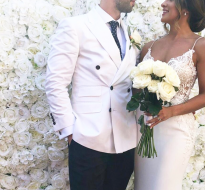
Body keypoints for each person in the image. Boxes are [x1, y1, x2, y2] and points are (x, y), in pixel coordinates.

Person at [45, 0, 139, 189]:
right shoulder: (76, 26)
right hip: (88, 137)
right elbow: (55, 82)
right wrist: (70, 132)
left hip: (125, 138)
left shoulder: (127, 32)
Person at [134, 0, 205, 189]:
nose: (163, 3)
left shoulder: (203, 46)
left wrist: (171, 111)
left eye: (170, 0)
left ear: (186, 8)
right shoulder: (148, 47)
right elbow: (136, 91)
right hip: (145, 128)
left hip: (176, 130)